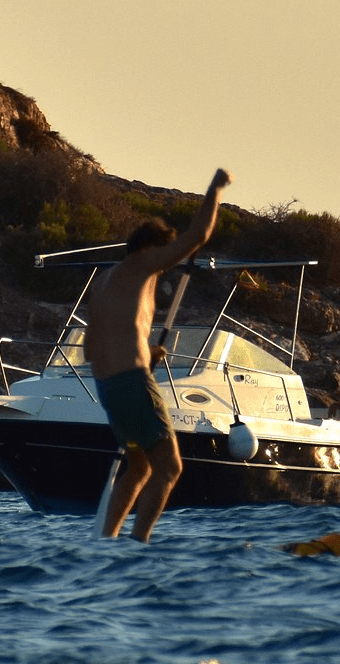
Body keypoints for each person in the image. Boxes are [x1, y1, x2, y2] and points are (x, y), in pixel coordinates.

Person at [84, 168, 232, 542]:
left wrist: (144, 354)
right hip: (132, 386)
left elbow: (91, 348)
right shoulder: (140, 265)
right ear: (148, 249)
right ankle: (139, 547)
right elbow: (197, 236)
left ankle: (109, 542)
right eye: (163, 254)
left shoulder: (104, 283)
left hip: (110, 390)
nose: (166, 263)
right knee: (169, 469)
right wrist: (214, 189)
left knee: (138, 469)